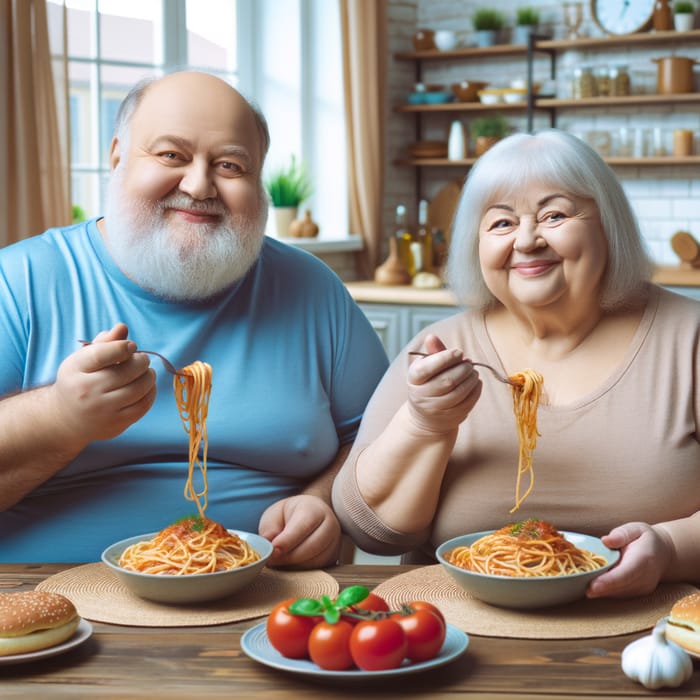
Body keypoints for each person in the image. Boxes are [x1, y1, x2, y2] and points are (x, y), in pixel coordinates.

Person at [0, 71, 388, 567]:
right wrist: (60, 416)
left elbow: (376, 440)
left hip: (271, 596)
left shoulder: (312, 289)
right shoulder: (20, 279)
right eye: (171, 155)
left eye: (230, 165)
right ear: (117, 155)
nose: (199, 184)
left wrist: (322, 498)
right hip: (46, 594)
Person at [332, 129, 700, 598]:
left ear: (607, 225)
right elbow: (373, 531)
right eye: (502, 223)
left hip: (657, 632)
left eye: (554, 215)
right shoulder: (441, 347)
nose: (527, 241)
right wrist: (426, 424)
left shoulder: (689, 337)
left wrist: (670, 547)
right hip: (453, 633)